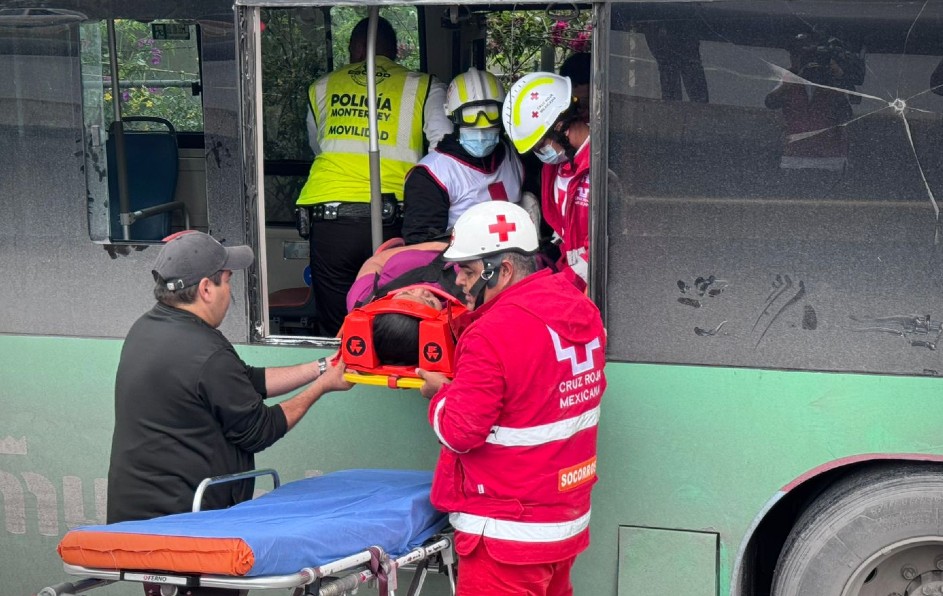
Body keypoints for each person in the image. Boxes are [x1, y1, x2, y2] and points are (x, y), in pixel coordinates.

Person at [107, 231, 353, 595]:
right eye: (227, 280)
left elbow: (244, 380)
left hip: (144, 517)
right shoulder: (205, 352)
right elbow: (260, 430)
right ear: (206, 288)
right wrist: (323, 387)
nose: (230, 292)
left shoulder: (149, 329)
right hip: (192, 524)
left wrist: (323, 365)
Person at [416, 201, 607, 596]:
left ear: (501, 270)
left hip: (506, 533)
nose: (462, 285)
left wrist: (440, 395)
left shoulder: (491, 334)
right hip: (563, 520)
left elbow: (459, 433)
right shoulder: (581, 309)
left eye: (468, 272)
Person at [296, 16, 453, 337]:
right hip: (393, 221)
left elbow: (318, 145)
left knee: (337, 324)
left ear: (351, 49)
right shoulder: (423, 85)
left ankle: (337, 374)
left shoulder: (322, 87)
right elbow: (444, 146)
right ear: (395, 51)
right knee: (394, 316)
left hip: (331, 222)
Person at [401, 67, 530, 245]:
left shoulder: (514, 157)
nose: (481, 127)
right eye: (470, 117)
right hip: (460, 269)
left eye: (491, 115)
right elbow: (422, 249)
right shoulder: (430, 176)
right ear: (452, 116)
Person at [503, 72, 591, 291]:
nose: (540, 153)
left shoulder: (603, 167)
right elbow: (564, 236)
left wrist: (560, 287)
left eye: (540, 144)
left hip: (593, 288)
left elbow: (603, 252)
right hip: (572, 283)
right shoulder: (555, 171)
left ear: (560, 126)